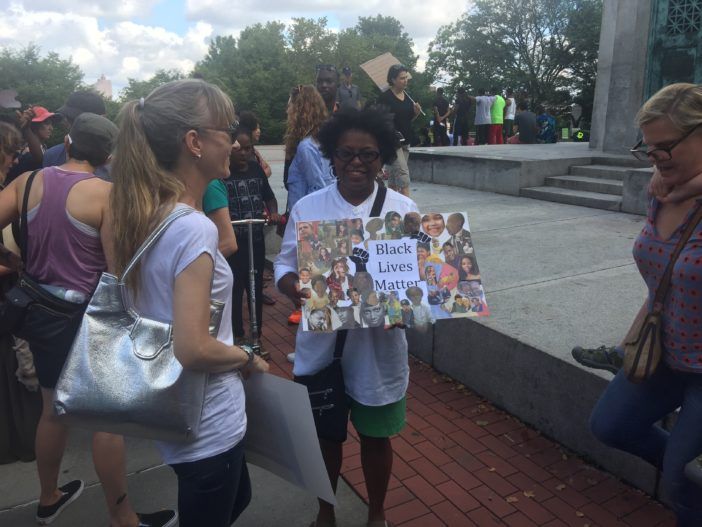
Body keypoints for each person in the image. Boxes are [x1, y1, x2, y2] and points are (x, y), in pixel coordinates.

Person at [0, 114, 176, 526]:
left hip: (40, 316)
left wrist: (10, 260)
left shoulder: (27, 182)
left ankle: (48, 497)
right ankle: (125, 520)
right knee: (105, 420)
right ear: (108, 155)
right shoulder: (106, 195)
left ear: (67, 141)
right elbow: (118, 273)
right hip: (88, 320)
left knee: (52, 410)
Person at [109, 79, 269, 527]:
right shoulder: (194, 228)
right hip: (206, 424)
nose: (235, 140)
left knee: (236, 498)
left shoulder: (149, 214)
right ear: (195, 142)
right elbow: (194, 347)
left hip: (179, 413)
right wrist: (247, 357)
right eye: (227, 128)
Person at [275, 106, 419, 527]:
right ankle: (326, 512)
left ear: (383, 157)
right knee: (325, 439)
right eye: (346, 153)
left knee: (376, 438)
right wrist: (298, 291)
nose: (357, 162)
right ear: (331, 157)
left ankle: (376, 515)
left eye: (368, 154)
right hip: (323, 349)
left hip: (380, 350)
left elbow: (414, 277)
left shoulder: (402, 208)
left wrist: (408, 306)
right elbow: (284, 267)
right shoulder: (308, 207)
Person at [588, 83, 702, 526]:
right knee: (609, 425)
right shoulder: (661, 190)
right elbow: (662, 282)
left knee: (682, 483)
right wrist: (627, 344)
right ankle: (680, 468)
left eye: (665, 148)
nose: (655, 160)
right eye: (648, 150)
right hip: (663, 354)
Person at [218, 125, 280, 346]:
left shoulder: (256, 170)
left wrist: (273, 211)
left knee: (254, 286)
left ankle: (257, 334)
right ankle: (237, 332)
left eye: (248, 148)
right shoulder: (223, 175)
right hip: (233, 243)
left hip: (256, 239)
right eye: (239, 149)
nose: (244, 153)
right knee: (233, 288)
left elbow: (269, 197)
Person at [378, 64, 422, 197]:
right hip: (392, 142)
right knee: (403, 176)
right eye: (402, 78)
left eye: (406, 77)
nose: (405, 80)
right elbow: (380, 120)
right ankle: (407, 211)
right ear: (393, 80)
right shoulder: (385, 98)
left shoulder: (409, 97)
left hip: (406, 141)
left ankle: (391, 208)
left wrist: (416, 113)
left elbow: (407, 120)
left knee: (393, 178)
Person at [42, 90, 107, 168]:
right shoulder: (52, 155)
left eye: (75, 119)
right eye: (67, 117)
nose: (66, 122)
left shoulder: (117, 158)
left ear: (102, 119)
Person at [238, 111, 272, 178]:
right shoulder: (239, 152)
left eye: (259, 128)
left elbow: (268, 169)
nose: (259, 131)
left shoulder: (255, 151)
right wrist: (260, 177)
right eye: (256, 128)